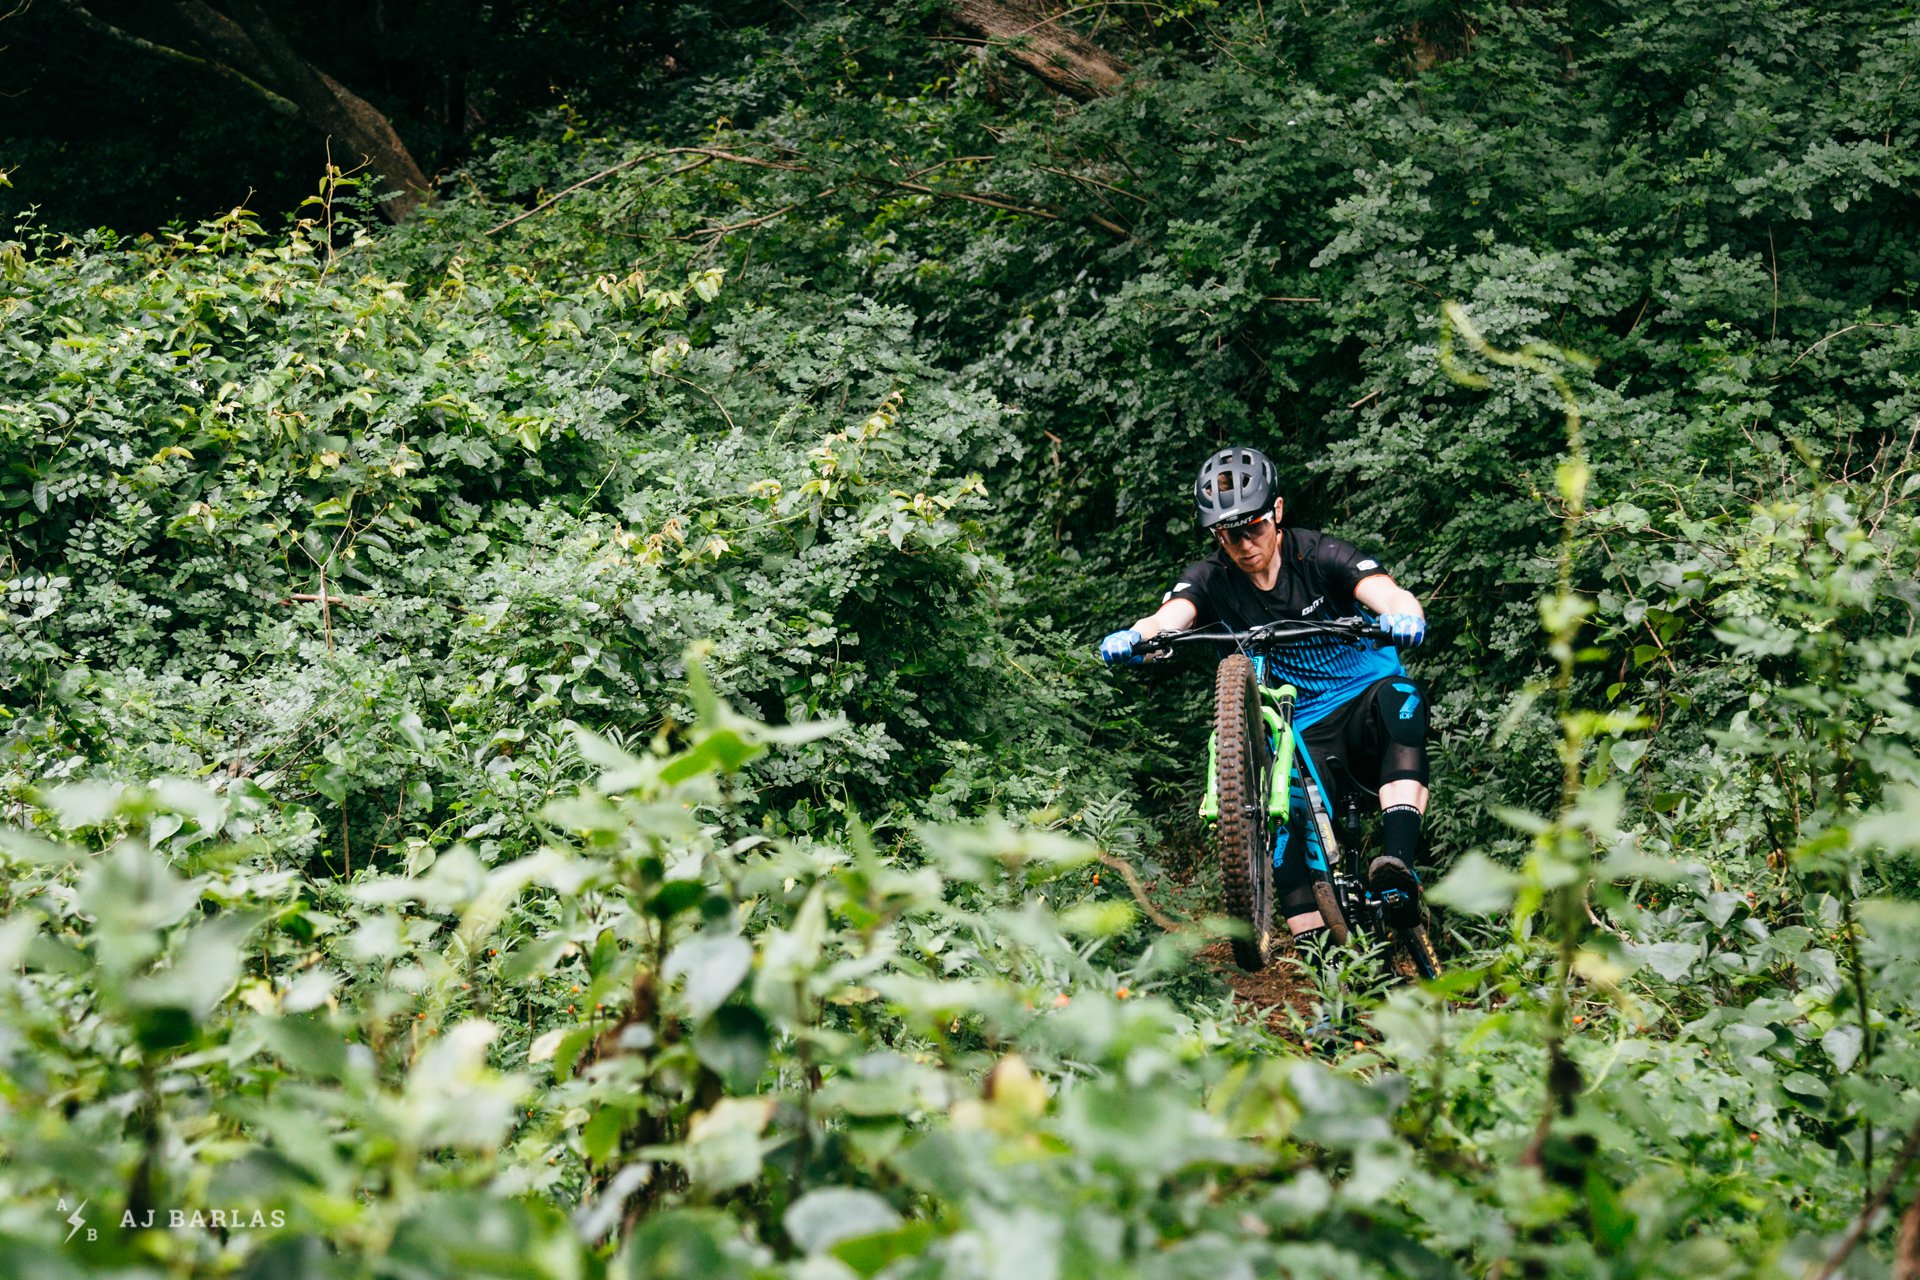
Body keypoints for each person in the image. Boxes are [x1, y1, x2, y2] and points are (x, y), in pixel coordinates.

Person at [1099, 445, 1431, 946]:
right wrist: (1137, 634)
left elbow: (1383, 590)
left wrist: (1404, 614)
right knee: (1282, 832)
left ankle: (1398, 872)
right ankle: (1329, 981)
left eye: (1253, 527)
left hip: (1362, 698)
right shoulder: (1211, 578)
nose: (1243, 543)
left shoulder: (1318, 554)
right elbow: (1172, 615)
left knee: (1401, 701)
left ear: (1276, 513)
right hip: (1302, 731)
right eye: (1228, 534)